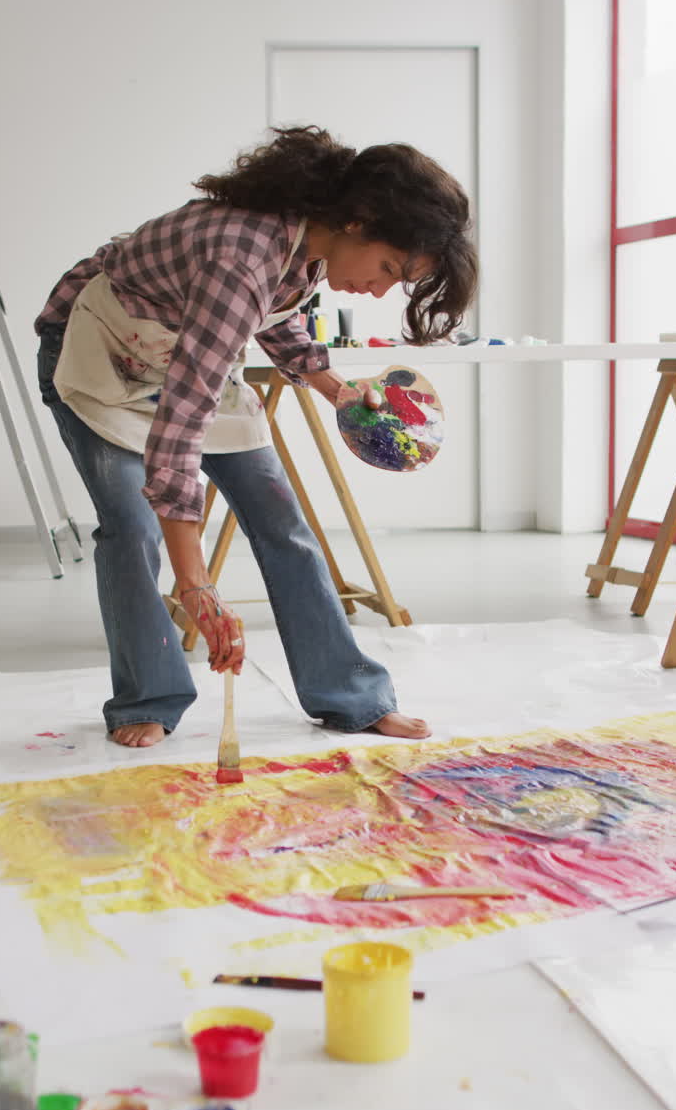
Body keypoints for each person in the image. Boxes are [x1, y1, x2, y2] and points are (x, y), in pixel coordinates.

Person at [35, 126, 478, 749]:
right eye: (387, 269)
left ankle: (349, 694)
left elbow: (278, 316)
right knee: (132, 526)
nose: (380, 290)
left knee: (282, 519)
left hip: (181, 358)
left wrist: (337, 391)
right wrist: (196, 584)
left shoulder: (306, 242)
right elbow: (183, 422)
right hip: (103, 359)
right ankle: (149, 696)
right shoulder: (241, 256)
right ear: (360, 220)